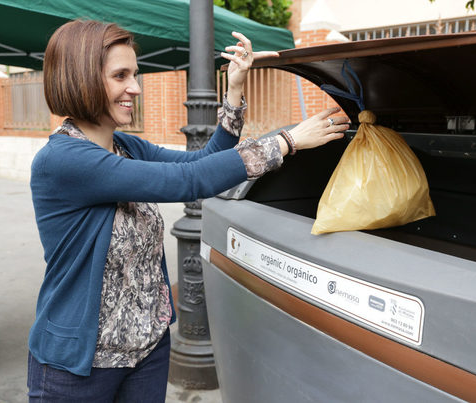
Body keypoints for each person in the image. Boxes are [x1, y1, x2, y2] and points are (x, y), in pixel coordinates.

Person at [27, 19, 349, 402]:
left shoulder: (124, 146)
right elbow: (188, 181)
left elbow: (203, 162)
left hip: (146, 351)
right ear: (79, 79)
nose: (135, 87)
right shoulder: (63, 161)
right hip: (80, 368)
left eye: (135, 73)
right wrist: (287, 141)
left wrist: (234, 89)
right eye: (120, 75)